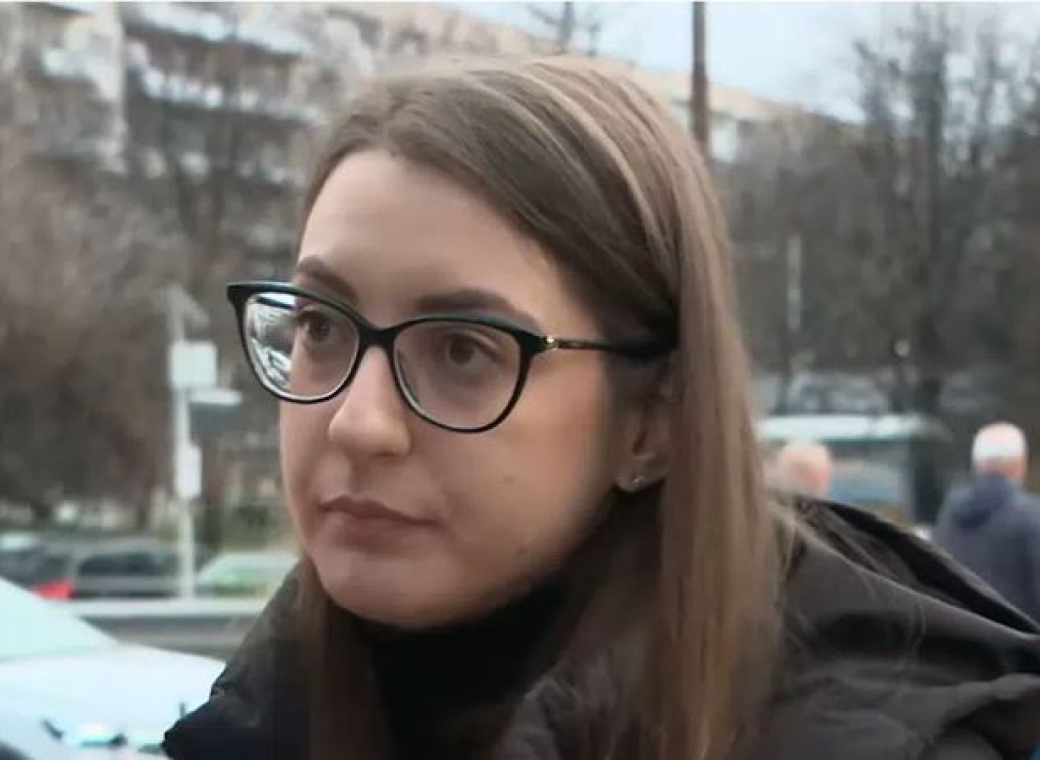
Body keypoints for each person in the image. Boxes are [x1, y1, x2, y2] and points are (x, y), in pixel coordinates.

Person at [164, 58, 1040, 760]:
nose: (358, 422)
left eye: (463, 349)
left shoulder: (869, 735)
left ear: (653, 422)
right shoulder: (269, 715)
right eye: (320, 326)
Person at [935, 422, 1040, 622]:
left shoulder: (949, 516)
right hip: (1017, 637)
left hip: (961, 634)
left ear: (978, 465)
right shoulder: (1032, 516)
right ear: (1018, 463)